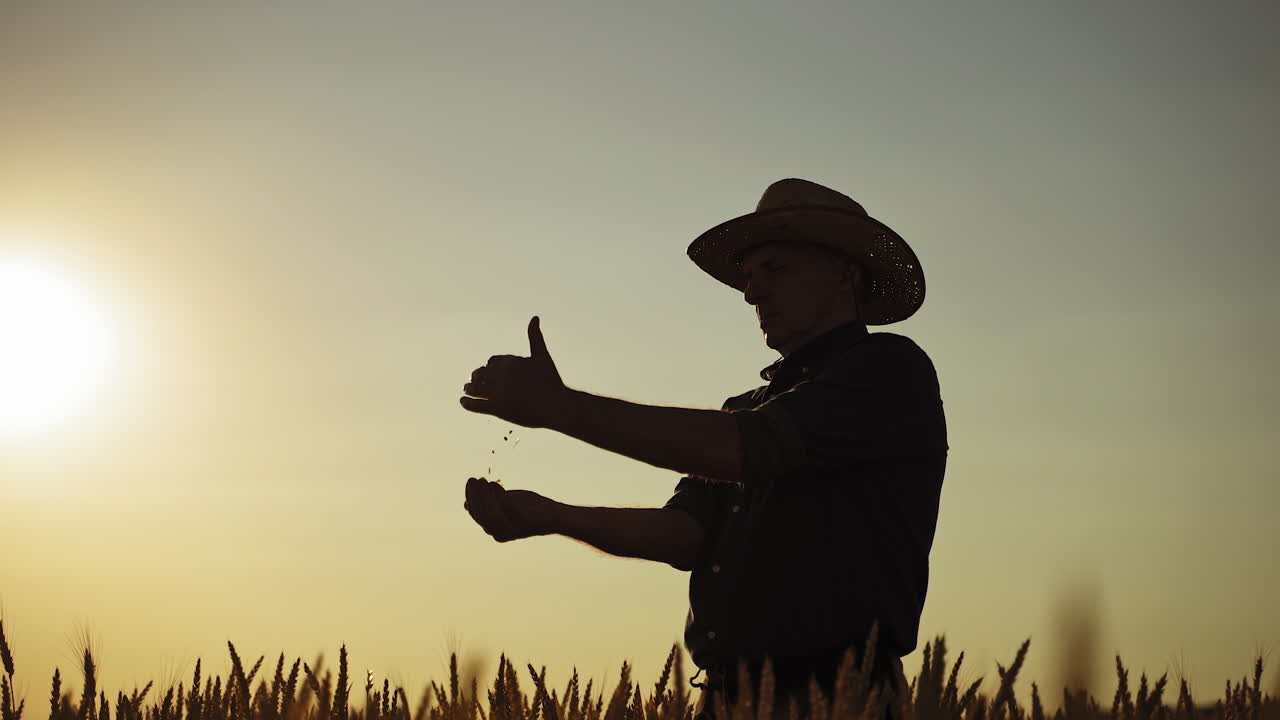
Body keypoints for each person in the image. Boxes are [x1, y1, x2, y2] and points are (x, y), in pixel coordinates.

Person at [460, 178, 948, 720]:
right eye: (749, 276)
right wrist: (550, 516)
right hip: (723, 700)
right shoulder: (744, 408)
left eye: (776, 269)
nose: (752, 292)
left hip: (840, 701)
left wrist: (561, 409)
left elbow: (753, 449)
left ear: (845, 273)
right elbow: (684, 535)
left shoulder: (889, 371)